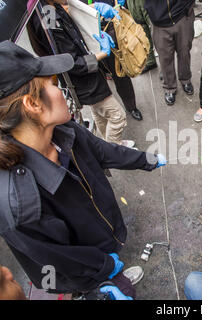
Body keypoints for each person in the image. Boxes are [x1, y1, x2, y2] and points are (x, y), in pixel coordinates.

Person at [0, 40, 167, 295]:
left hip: (104, 236)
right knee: (116, 287)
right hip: (83, 275)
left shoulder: (63, 129)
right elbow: (59, 258)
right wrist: (104, 268)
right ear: (33, 105)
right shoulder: (15, 203)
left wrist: (144, 160)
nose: (64, 90)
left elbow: (100, 150)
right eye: (54, 84)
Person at [28, 0, 135, 147]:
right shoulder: (48, 18)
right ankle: (113, 147)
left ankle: (105, 141)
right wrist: (102, 54)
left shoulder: (52, 7)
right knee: (118, 116)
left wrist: (93, 9)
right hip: (83, 81)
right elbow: (71, 62)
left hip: (89, 73)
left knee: (99, 112)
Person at [87, 0, 144, 121]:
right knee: (96, 76)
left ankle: (131, 106)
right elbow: (68, 9)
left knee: (120, 74)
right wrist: (93, 7)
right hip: (88, 34)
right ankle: (106, 113)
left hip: (110, 28)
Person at [144, 0, 195, 106]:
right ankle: (169, 87)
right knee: (165, 58)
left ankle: (185, 79)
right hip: (159, 21)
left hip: (182, 15)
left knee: (184, 51)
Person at [125, 0, 158, 74]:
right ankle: (151, 62)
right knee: (145, 42)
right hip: (138, 20)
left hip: (147, 17)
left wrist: (151, 23)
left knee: (158, 41)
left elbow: (146, 10)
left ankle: (164, 69)